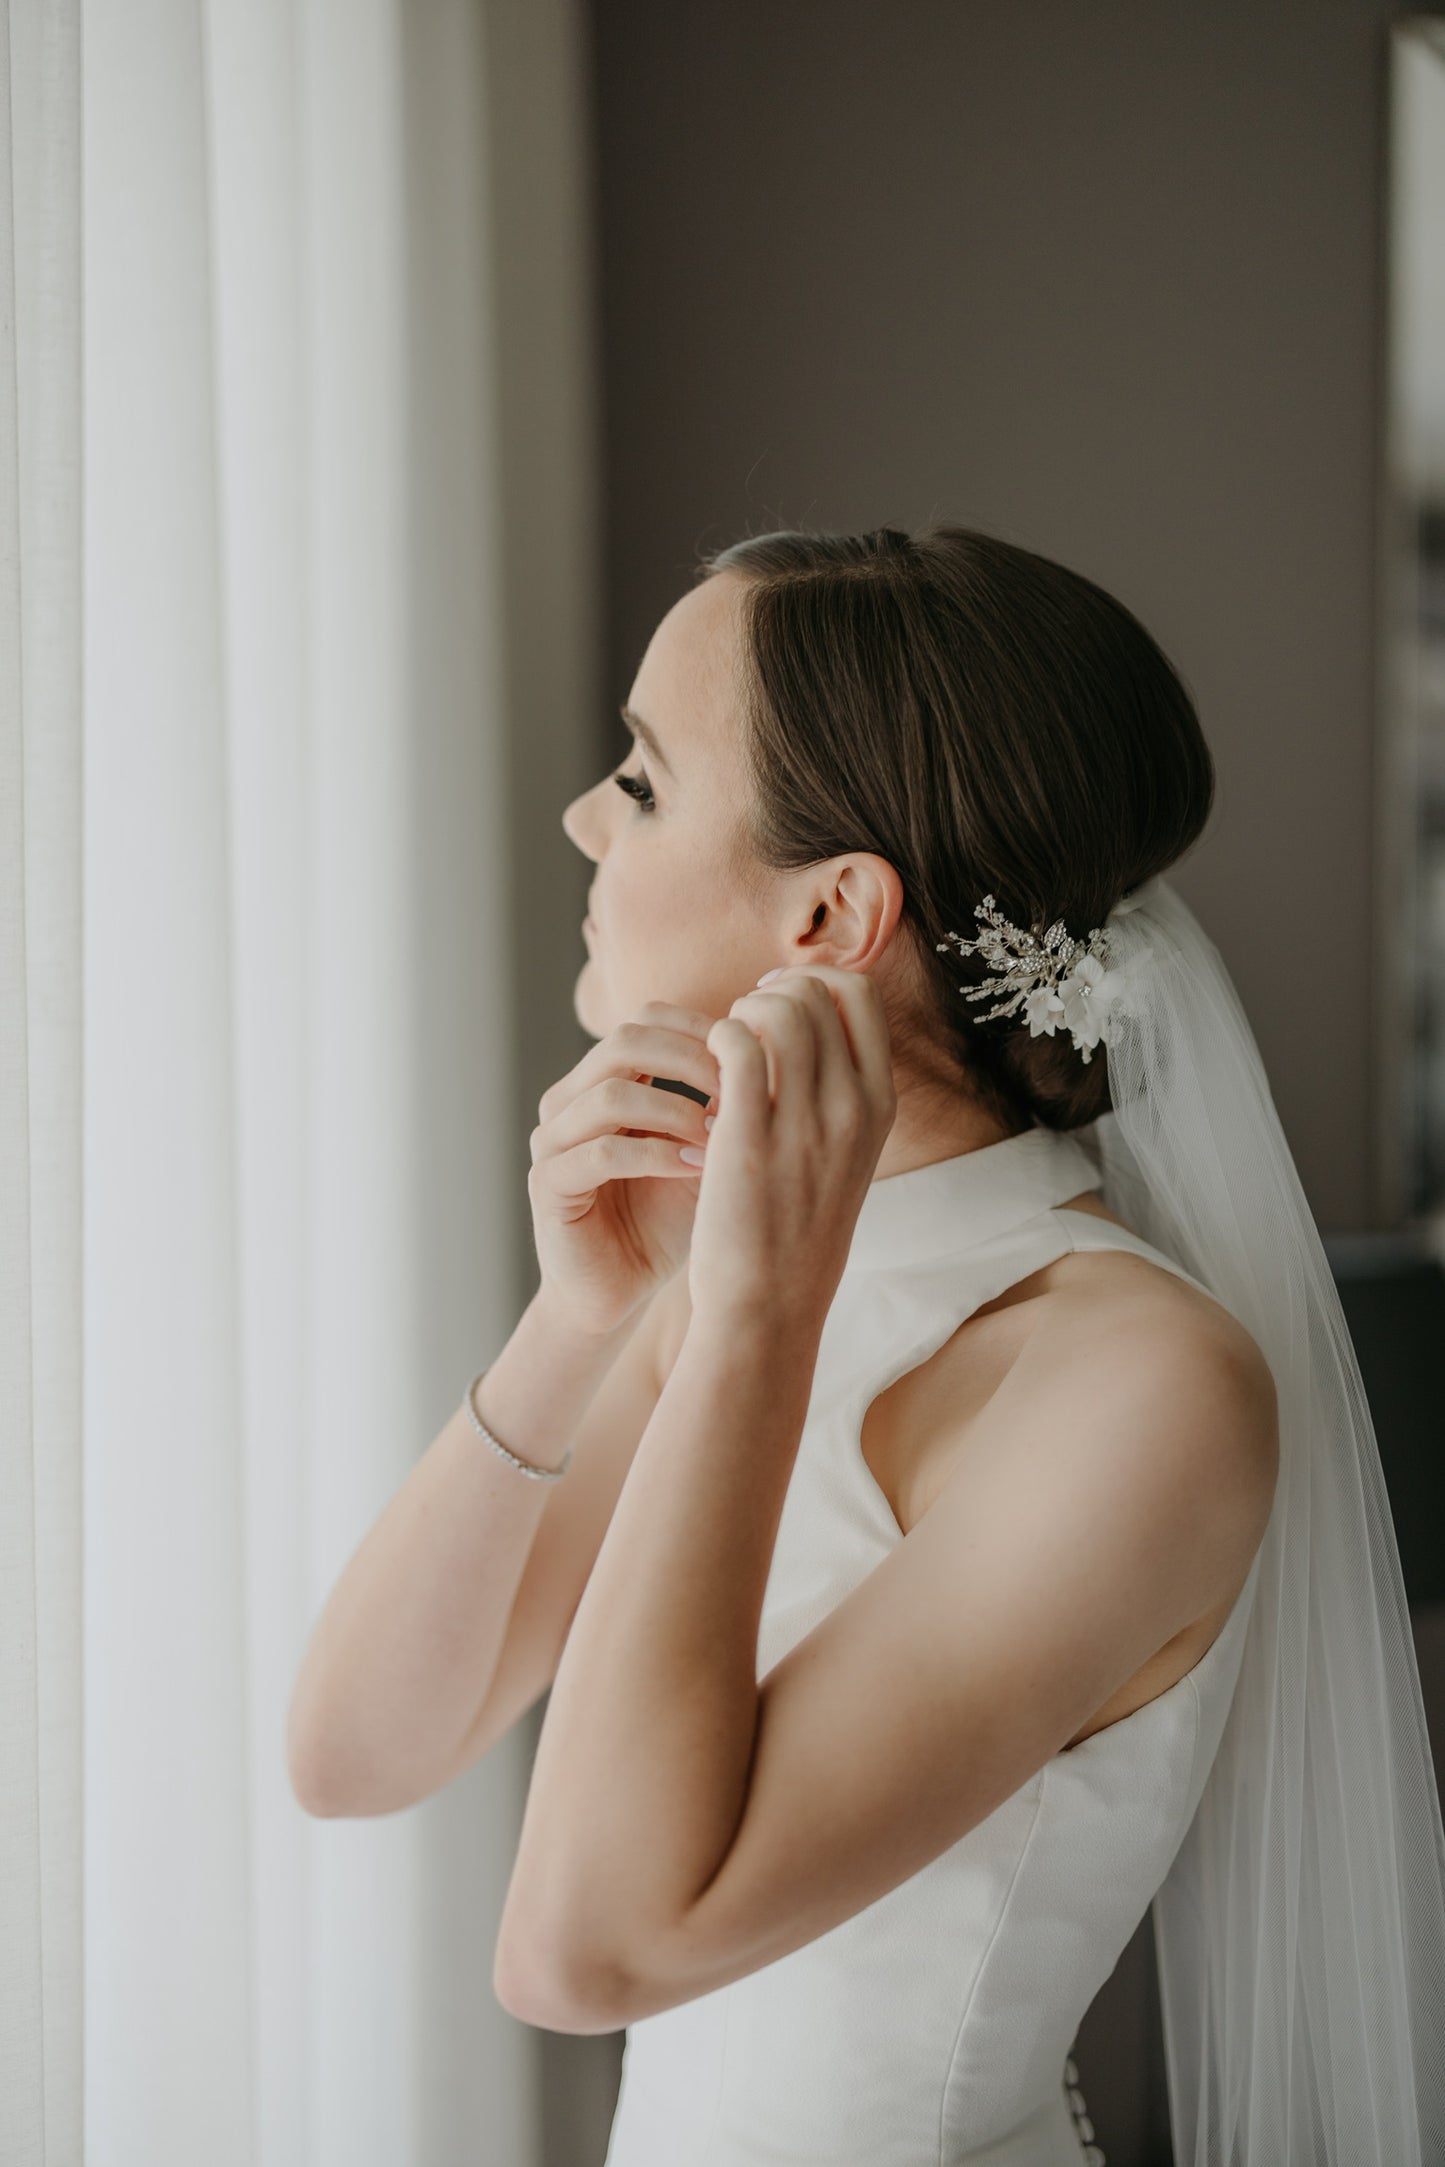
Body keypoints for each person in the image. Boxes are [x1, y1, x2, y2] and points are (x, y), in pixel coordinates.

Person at [288, 525, 1445, 2165]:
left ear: (832, 910)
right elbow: (355, 1753)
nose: (578, 819)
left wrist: (754, 1315)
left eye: (637, 779)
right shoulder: (703, 1277)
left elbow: (582, 1949)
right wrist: (580, 1318)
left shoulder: (1134, 1384)